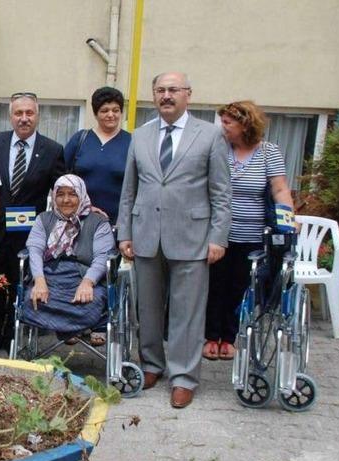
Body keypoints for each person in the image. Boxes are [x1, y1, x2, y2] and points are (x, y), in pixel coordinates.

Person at [116, 72, 230, 409]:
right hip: (146, 234)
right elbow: (129, 190)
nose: (166, 96)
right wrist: (125, 232)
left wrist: (218, 237)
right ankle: (152, 364)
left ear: (188, 95)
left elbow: (222, 193)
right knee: (147, 308)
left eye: (173, 90)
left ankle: (183, 377)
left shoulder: (210, 135)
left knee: (187, 312)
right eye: (160, 90)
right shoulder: (140, 135)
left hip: (193, 237)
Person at [204, 100, 293, 361]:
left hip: (252, 235)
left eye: (228, 123)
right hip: (218, 234)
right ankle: (210, 336)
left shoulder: (268, 152)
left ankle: (230, 338)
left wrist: (288, 221)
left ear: (245, 124)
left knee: (241, 286)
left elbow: (279, 189)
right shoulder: (220, 148)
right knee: (214, 287)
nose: (223, 128)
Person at [0, 92, 65, 350]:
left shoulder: (53, 150)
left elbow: (62, 190)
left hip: (29, 234)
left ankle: (15, 337)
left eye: (29, 113)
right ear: (11, 116)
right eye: (19, 113)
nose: (24, 118)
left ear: (37, 116)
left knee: (21, 286)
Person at [22, 175, 114, 340]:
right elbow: (34, 250)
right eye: (60, 194)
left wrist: (88, 282)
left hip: (84, 276)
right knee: (31, 300)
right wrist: (39, 280)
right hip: (50, 277)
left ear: (82, 195)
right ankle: (69, 329)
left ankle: (67, 329)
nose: (66, 200)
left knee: (90, 303)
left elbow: (102, 256)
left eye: (72, 194)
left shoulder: (98, 222)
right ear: (54, 196)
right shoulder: (43, 219)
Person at [64, 87, 131, 223]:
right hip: (78, 219)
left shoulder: (132, 143)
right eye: (104, 110)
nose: (111, 115)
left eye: (115, 110)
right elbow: (61, 178)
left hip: (117, 223)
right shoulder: (80, 139)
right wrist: (84, 206)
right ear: (95, 114)